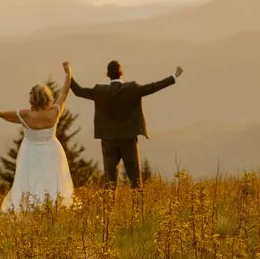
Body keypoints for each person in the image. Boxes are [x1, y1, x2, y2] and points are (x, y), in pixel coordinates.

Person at [65, 58, 181, 188]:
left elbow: (78, 91)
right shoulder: (132, 89)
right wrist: (174, 76)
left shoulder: (99, 91)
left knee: (109, 180)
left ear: (107, 75)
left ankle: (108, 207)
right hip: (128, 138)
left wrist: (68, 74)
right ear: (122, 73)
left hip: (108, 139)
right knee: (135, 178)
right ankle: (138, 206)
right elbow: (153, 87)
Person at [0, 75, 79, 212]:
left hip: (30, 153)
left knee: (29, 181)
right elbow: (64, 92)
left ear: (32, 98)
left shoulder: (25, 115)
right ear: (48, 97)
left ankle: (30, 208)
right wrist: (68, 72)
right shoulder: (54, 112)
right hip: (52, 151)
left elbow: (0, 114)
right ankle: (53, 208)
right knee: (52, 179)